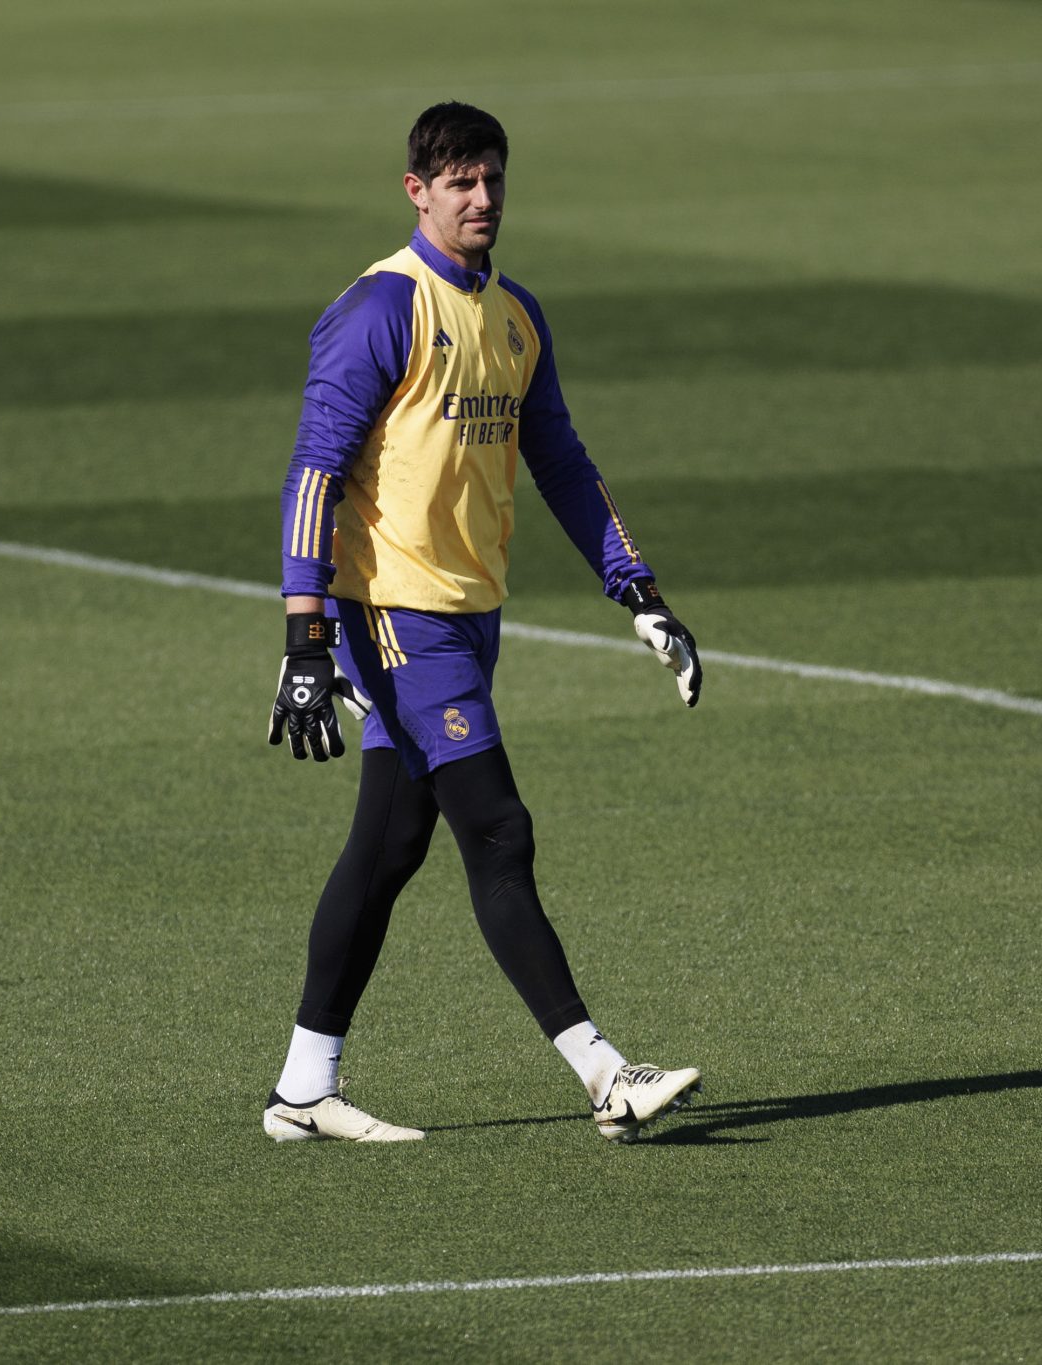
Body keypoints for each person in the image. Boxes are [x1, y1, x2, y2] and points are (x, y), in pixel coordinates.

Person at [262, 101, 703, 1145]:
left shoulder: (516, 316)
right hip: (396, 613)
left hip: (470, 615)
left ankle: (302, 1091)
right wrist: (305, 636)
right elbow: (314, 471)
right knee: (498, 830)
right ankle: (605, 1075)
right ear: (416, 192)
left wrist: (636, 588)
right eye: (459, 181)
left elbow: (561, 462)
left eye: (493, 178)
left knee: (389, 845)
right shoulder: (383, 306)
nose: (482, 198)